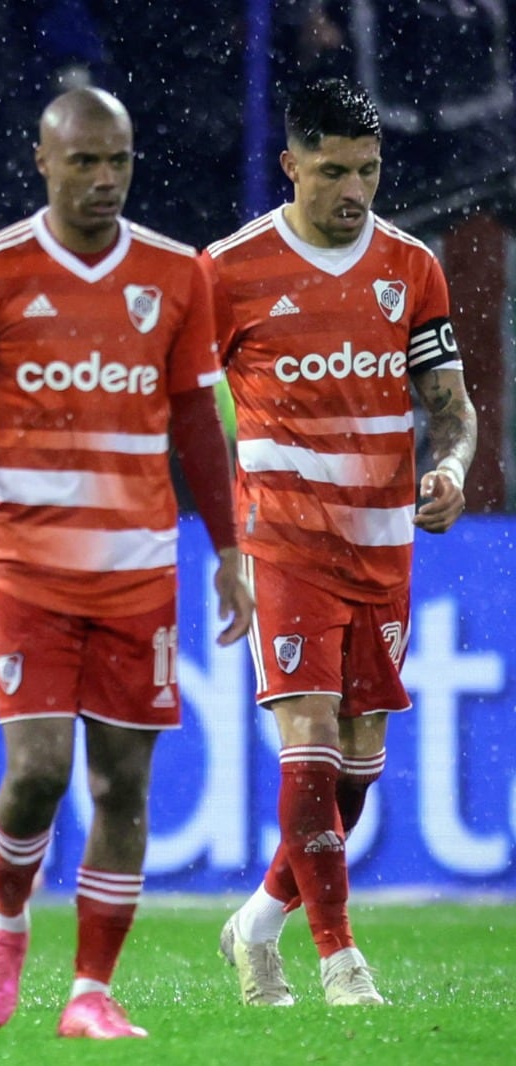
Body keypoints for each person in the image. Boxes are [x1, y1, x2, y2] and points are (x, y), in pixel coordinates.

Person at [0, 87, 253, 1038]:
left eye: (119, 161)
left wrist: (229, 547)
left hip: (140, 566)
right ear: (43, 161)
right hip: (25, 561)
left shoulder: (178, 273)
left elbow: (195, 419)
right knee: (37, 773)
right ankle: (5, 921)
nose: (104, 179)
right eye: (84, 162)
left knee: (123, 783)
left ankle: (90, 993)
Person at [206, 76, 477, 1008]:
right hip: (282, 540)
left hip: (382, 544)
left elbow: (453, 411)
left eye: (367, 169)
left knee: (354, 777)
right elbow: (183, 405)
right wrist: (219, 533)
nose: (353, 190)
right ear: (291, 165)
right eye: (331, 172)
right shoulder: (228, 271)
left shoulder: (412, 268)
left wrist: (454, 469)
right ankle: (337, 962)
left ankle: (256, 922)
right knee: (310, 750)